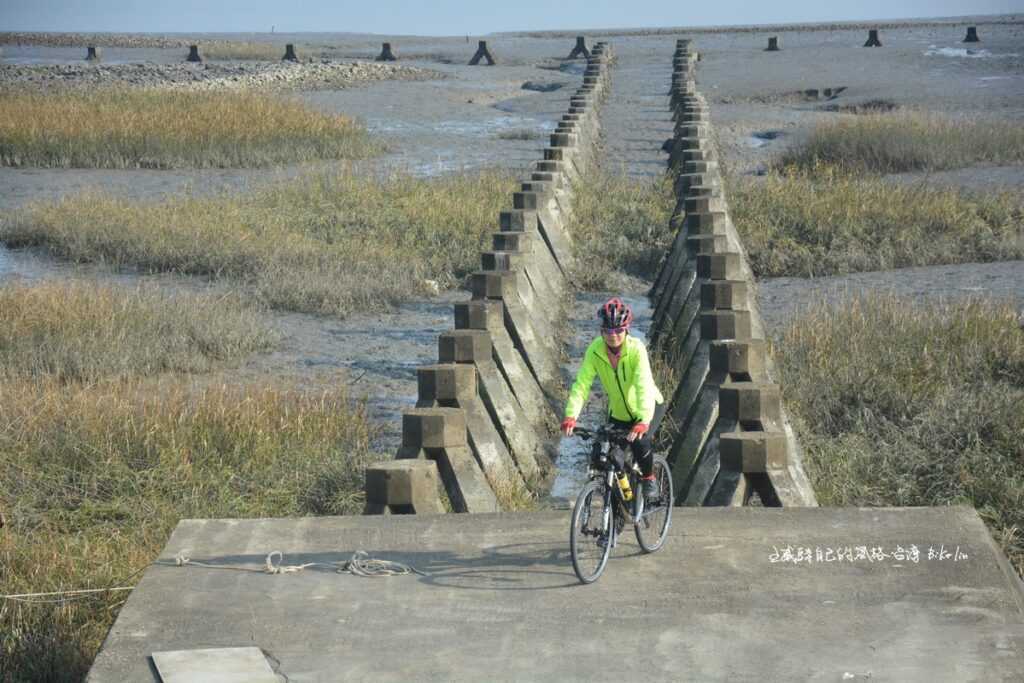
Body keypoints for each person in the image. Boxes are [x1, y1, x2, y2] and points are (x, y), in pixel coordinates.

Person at [562, 297, 665, 499]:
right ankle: (619, 504)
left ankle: (649, 479)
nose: (613, 336)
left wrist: (643, 421)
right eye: (608, 331)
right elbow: (582, 385)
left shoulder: (636, 350)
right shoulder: (595, 350)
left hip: (648, 407)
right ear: (601, 331)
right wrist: (571, 416)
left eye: (618, 330)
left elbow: (643, 384)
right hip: (618, 413)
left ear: (626, 329)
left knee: (640, 444)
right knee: (609, 455)